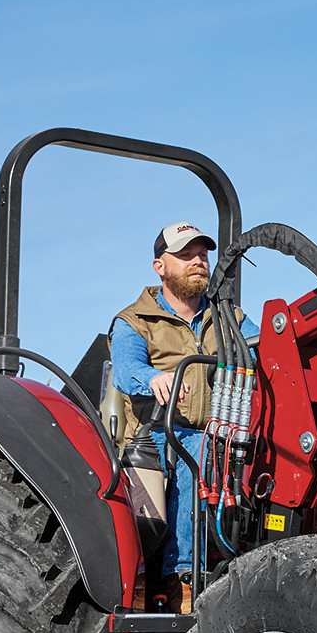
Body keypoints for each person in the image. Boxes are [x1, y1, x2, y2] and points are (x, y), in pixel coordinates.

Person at [110, 222, 257, 612]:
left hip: (222, 431)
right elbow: (126, 370)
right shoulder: (134, 321)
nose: (198, 261)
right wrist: (154, 377)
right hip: (156, 435)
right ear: (160, 266)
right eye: (186, 255)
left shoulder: (230, 319)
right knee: (196, 452)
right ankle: (184, 578)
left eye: (203, 255)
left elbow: (265, 355)